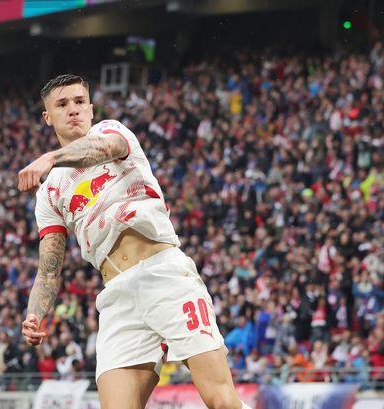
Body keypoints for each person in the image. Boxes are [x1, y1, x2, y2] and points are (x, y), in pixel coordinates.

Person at [19, 74, 249, 409]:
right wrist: (35, 314)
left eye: (80, 101)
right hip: (117, 297)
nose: (73, 109)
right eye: (62, 104)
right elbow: (49, 267)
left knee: (222, 400)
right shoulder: (50, 191)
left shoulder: (111, 132)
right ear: (47, 117)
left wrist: (52, 157)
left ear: (91, 108)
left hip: (164, 275)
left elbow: (100, 149)